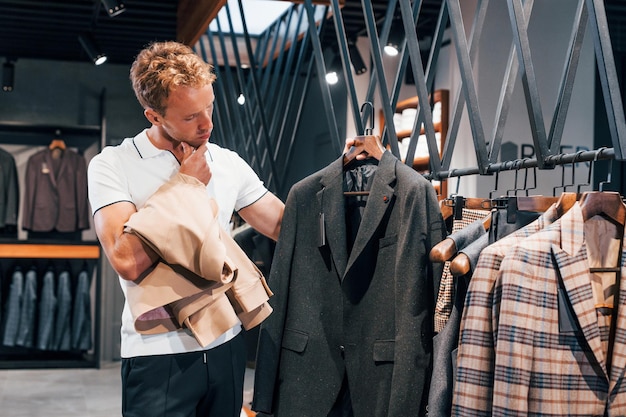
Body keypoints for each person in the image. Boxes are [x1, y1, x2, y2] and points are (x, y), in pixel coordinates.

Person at [87, 41, 285, 417]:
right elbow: (127, 260)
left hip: (227, 342)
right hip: (158, 354)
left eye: (209, 106)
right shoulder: (114, 164)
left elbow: (284, 226)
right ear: (154, 116)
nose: (207, 123)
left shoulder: (227, 162)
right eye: (191, 116)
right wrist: (185, 185)